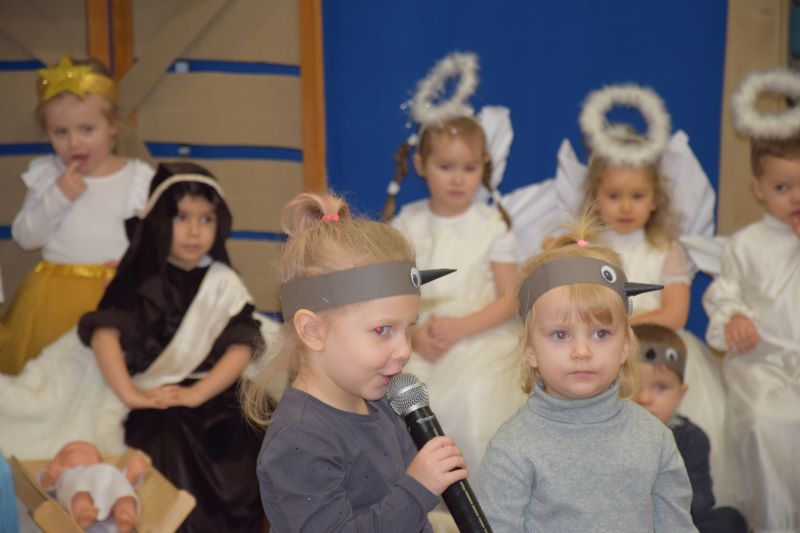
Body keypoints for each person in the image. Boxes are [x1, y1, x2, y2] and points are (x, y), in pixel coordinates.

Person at [0, 164, 272, 532]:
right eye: (182, 217)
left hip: (214, 392)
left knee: (248, 433)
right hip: (157, 398)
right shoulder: (138, 280)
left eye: (206, 219)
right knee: (166, 443)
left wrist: (197, 394)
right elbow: (104, 336)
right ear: (159, 221)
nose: (195, 231)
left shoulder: (224, 283)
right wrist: (131, 395)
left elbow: (242, 346)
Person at [552, 83, 735, 505]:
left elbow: (675, 313)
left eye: (637, 196)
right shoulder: (587, 248)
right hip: (596, 351)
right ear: (594, 197)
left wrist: (620, 326)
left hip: (653, 350)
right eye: (614, 196)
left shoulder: (666, 248)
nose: (626, 206)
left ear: (655, 200)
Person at [245, 192, 467, 532]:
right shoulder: (299, 439)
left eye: (408, 328)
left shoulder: (382, 402)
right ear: (313, 331)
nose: (403, 350)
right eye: (382, 330)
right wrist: (418, 489)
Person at [476, 214, 696, 532]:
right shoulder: (512, 449)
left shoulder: (654, 437)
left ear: (625, 346)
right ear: (530, 350)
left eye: (600, 334)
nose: (582, 351)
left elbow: (676, 525)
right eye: (560, 335)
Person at [385, 52, 525, 471]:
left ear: (484, 167)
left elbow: (510, 299)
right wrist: (414, 336)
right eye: (446, 167)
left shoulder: (492, 226)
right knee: (397, 398)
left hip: (479, 335)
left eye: (469, 167)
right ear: (421, 165)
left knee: (474, 396)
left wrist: (463, 328)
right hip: (418, 337)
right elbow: (389, 298)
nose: (458, 178)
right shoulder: (406, 223)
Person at [0, 56, 154, 375]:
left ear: (113, 125)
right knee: (53, 379)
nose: (73, 142)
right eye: (60, 132)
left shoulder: (137, 178)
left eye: (86, 129)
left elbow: (152, 241)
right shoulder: (48, 176)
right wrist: (58, 196)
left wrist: (131, 269)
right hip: (52, 299)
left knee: (109, 379)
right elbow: (25, 237)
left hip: (115, 294)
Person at [702, 67, 800, 531]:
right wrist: (734, 318)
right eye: (783, 188)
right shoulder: (746, 244)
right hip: (763, 366)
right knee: (763, 422)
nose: (796, 198)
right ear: (758, 188)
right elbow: (726, 294)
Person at [633, 324, 747, 533]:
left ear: (681, 394)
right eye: (634, 386)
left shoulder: (691, 437)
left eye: (660, 387)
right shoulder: (611, 433)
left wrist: (667, 498)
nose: (645, 398)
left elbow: (702, 501)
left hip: (675, 521)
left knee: (729, 519)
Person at [39, 441, 151, 533]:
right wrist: (50, 476)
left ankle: (125, 516)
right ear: (58, 461)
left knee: (124, 495)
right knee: (80, 494)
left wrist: (132, 473)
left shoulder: (108, 471)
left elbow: (123, 484)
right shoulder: (66, 475)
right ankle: (83, 513)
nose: (88, 451)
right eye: (75, 450)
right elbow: (46, 487)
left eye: (95, 451)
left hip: (112, 515)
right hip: (82, 497)